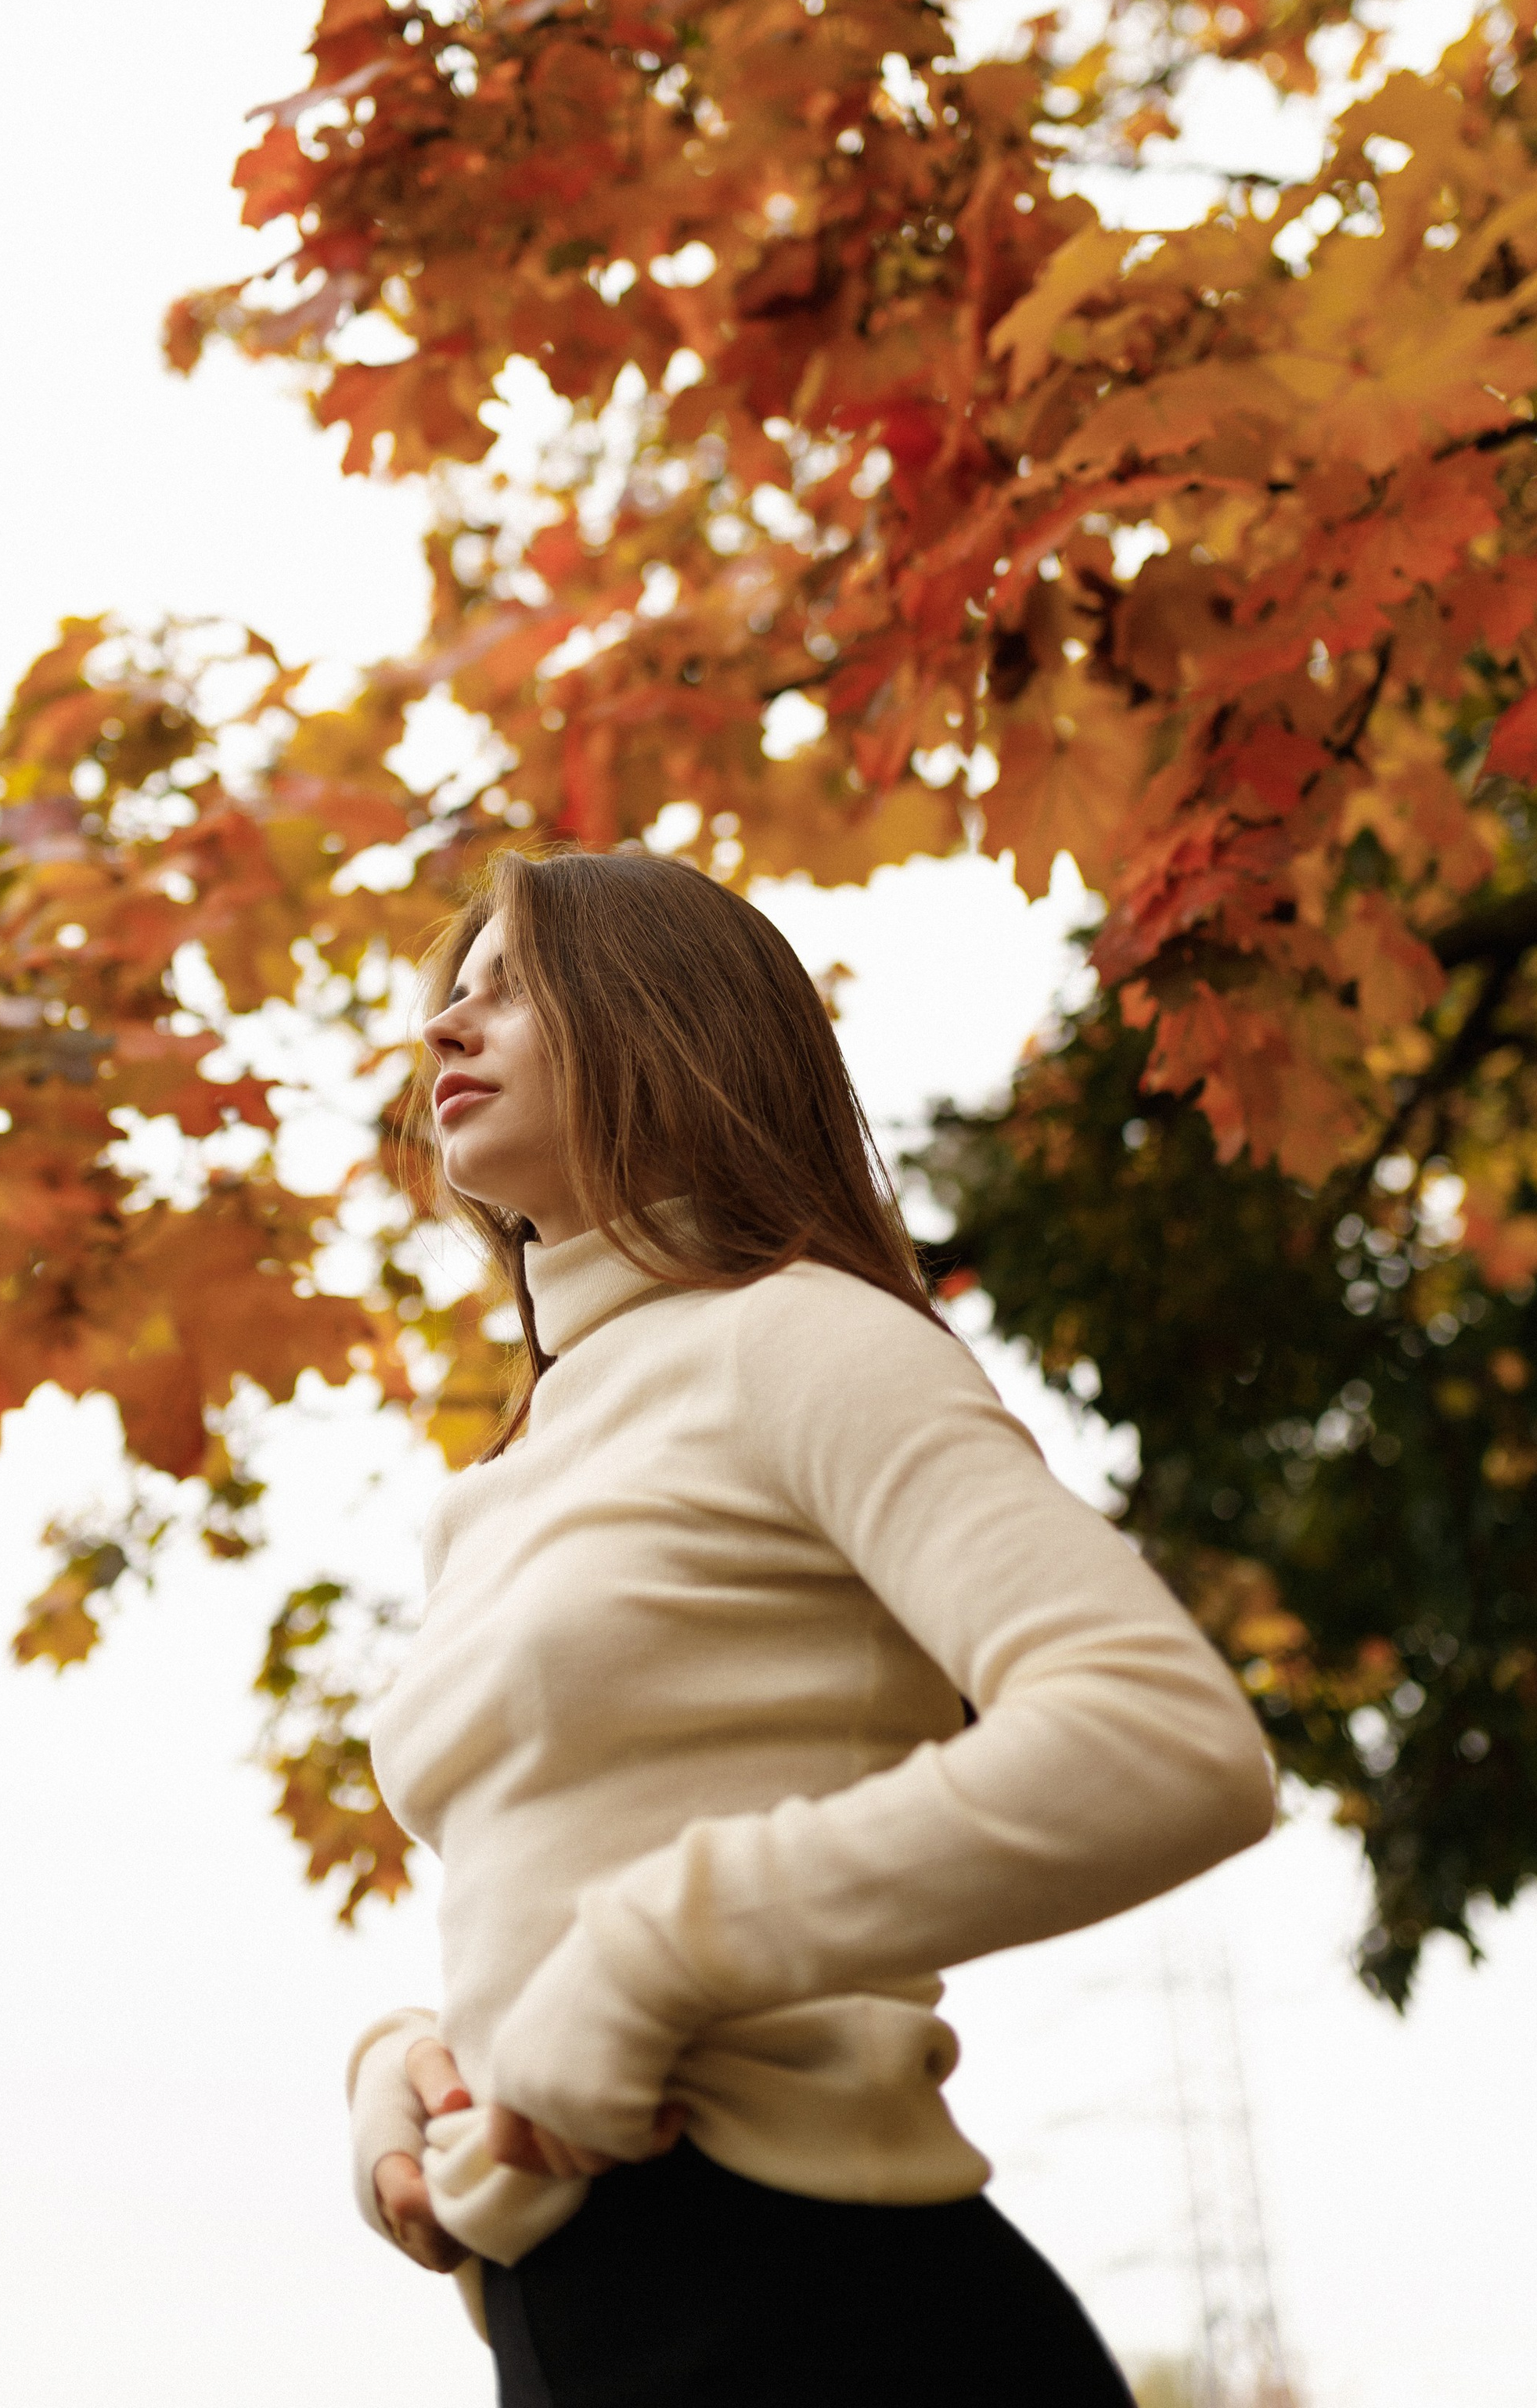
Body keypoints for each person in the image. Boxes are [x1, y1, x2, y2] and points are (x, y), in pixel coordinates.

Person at [345, 848, 1274, 2406]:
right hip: (581, 2330)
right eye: (448, 994)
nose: (444, 1026)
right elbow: (573, 1863)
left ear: (665, 1021)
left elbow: (1162, 1740)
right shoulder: (491, 1494)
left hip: (826, 2316)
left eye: (510, 989)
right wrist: (420, 2069)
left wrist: (650, 1955)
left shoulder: (798, 1338)